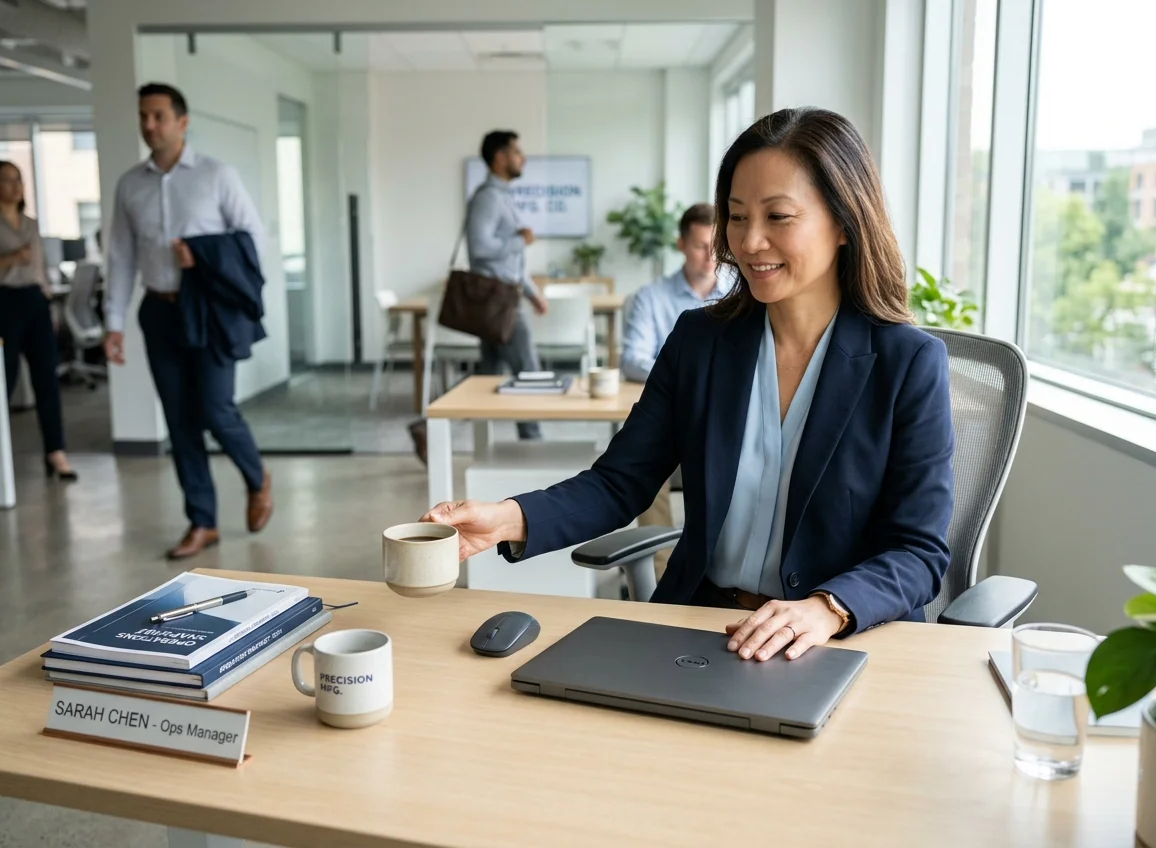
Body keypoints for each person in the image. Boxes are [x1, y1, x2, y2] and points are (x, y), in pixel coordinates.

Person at [421, 107, 954, 664]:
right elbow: (619, 484)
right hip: (701, 626)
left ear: (844, 223)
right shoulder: (702, 340)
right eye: (738, 216)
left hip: (838, 641)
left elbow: (917, 550)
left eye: (779, 217)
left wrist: (827, 607)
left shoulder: (907, 362)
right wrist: (505, 518)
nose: (749, 242)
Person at [103, 82, 273, 560]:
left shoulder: (217, 175)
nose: (149, 125)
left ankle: (257, 476)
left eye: (158, 116)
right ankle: (203, 521)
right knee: (179, 422)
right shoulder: (130, 184)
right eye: (143, 116)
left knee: (216, 409)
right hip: (158, 310)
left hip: (210, 312)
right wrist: (112, 323)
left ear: (182, 121)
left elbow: (254, 241)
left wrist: (203, 255)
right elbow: (119, 257)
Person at [407, 130, 549, 462]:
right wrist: (521, 240)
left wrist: (532, 293)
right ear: (499, 156)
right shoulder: (488, 197)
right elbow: (481, 249)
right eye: (516, 152)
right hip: (499, 305)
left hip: (505, 300)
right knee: (530, 373)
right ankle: (536, 447)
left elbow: (510, 264)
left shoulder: (502, 196)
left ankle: (427, 427)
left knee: (486, 380)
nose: (522, 158)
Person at [620, 202, 731, 578]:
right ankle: (661, 572)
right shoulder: (651, 297)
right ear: (681, 244)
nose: (710, 256)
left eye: (717, 246)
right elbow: (633, 358)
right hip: (673, 423)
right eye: (701, 246)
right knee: (650, 463)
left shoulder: (743, 297)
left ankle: (725, 569)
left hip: (723, 424)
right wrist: (688, 376)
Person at [0, 160, 77, 481]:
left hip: (34, 302)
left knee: (47, 378)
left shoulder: (30, 224)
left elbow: (39, 269)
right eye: (8, 180)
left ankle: (56, 451)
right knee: (6, 378)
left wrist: (50, 306)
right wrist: (10, 259)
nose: (16, 186)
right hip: (0, 303)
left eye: (19, 180)